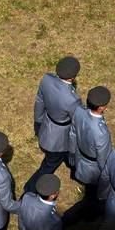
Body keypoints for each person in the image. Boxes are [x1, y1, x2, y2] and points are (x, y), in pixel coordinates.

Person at [26, 56, 82, 193]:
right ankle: (30, 189)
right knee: (49, 165)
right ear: (73, 77)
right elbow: (77, 123)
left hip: (47, 123)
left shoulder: (46, 79)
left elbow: (40, 102)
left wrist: (38, 123)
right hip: (58, 138)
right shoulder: (73, 99)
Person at [64, 85, 113, 226]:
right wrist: (107, 176)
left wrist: (72, 154)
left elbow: (73, 134)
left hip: (79, 155)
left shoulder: (79, 111)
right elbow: (103, 159)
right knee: (92, 196)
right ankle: (78, 217)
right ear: (102, 107)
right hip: (93, 168)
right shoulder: (101, 133)